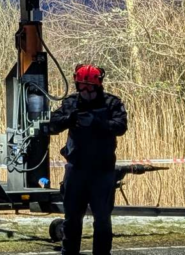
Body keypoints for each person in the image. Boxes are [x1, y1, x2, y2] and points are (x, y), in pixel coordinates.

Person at [45, 64, 128, 255]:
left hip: (102, 170)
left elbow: (121, 127)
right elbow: (52, 125)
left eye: (90, 88)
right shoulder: (71, 103)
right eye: (82, 87)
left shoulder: (111, 103)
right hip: (76, 169)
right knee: (72, 218)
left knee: (102, 219)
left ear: (98, 86)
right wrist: (69, 119)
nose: (86, 92)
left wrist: (97, 122)